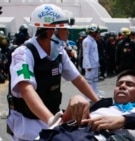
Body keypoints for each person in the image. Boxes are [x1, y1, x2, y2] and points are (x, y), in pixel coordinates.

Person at [6, 4, 99, 140]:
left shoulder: (59, 52)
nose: (67, 33)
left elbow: (77, 78)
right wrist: (51, 121)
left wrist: (97, 101)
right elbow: (26, 89)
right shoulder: (23, 54)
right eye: (65, 30)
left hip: (52, 119)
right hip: (28, 124)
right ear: (51, 31)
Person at [39, 70, 135, 141]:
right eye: (119, 84)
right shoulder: (102, 105)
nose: (122, 86)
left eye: (129, 85)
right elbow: (65, 120)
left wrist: (125, 120)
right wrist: (74, 101)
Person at [82, 23, 100, 95]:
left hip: (95, 65)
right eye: (97, 32)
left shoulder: (93, 40)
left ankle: (95, 94)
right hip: (90, 66)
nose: (98, 34)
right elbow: (85, 54)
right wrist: (88, 65)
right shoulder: (87, 41)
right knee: (89, 82)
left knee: (95, 81)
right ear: (93, 32)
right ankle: (88, 96)